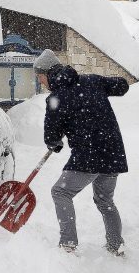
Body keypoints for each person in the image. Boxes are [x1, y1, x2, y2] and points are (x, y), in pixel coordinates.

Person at [33, 49, 129, 256]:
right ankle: (116, 245)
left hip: (89, 156)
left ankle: (67, 244)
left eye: (40, 77)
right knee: (105, 200)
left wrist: (55, 144)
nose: (41, 82)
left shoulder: (55, 99)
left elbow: (52, 138)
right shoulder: (92, 81)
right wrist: (107, 86)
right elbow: (122, 85)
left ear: (48, 73)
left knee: (60, 192)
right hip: (113, 153)